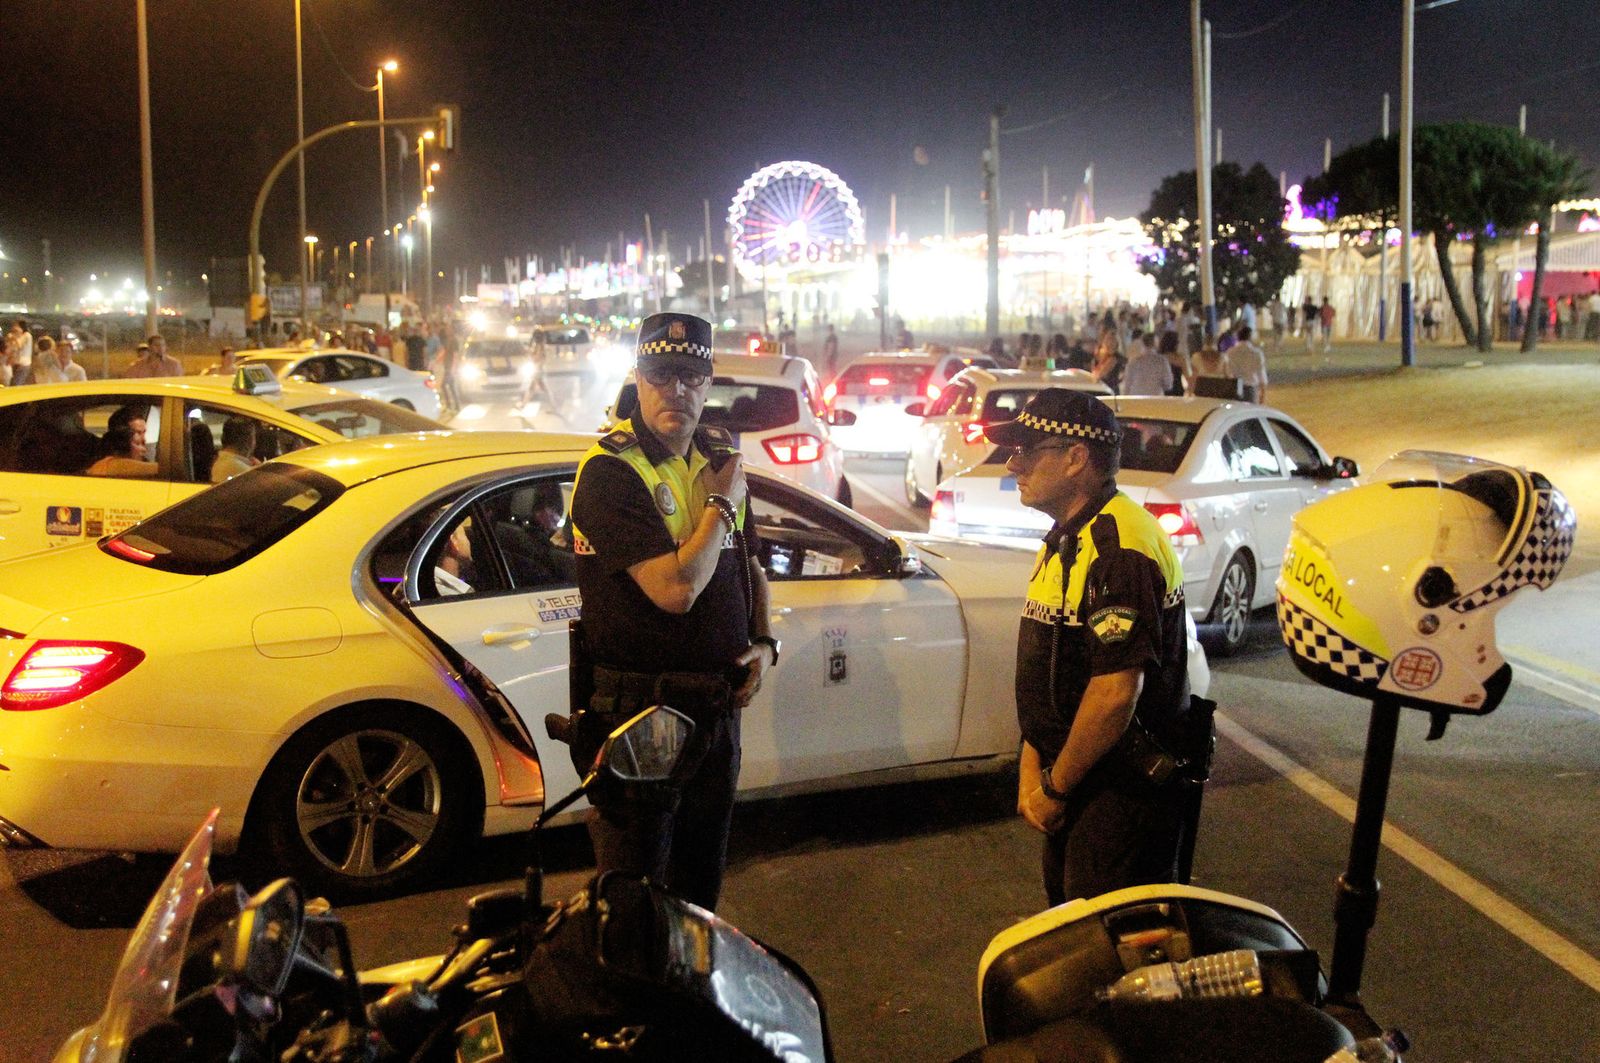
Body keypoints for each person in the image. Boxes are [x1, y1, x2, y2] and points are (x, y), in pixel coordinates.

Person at [567, 312, 777, 913]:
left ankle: (687, 1005)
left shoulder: (715, 456)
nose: (676, 389)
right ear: (638, 378)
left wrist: (763, 643)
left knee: (699, 897)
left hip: (714, 713)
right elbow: (674, 590)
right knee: (636, 902)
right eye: (661, 374)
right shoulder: (611, 469)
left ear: (708, 382)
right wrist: (718, 502)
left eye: (690, 375)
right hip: (641, 716)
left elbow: (750, 567)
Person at [985, 389, 1192, 904]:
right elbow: (1057, 672)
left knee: (1110, 950)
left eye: (1028, 450)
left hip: (1120, 793)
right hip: (1079, 781)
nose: (1014, 465)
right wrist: (1035, 770)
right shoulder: (1068, 537)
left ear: (1077, 458)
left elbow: (1114, 693)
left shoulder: (1118, 550)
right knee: (1075, 938)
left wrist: (1053, 788)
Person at [87, 405, 158, 478]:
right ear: (122, 438)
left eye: (144, 432)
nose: (144, 439)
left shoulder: (143, 463)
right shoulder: (107, 465)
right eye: (139, 433)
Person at [210, 416, 259, 483]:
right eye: (254, 437)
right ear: (248, 440)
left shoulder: (220, 461)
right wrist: (260, 470)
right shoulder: (241, 470)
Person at [1120, 332, 1170, 396]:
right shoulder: (1162, 361)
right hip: (1156, 398)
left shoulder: (1133, 362)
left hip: (1136, 399)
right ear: (1156, 344)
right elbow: (1168, 384)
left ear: (1142, 344)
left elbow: (1127, 385)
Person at [1227, 326, 1268, 404]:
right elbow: (1262, 375)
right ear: (1250, 337)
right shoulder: (1257, 353)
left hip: (1235, 388)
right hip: (1250, 389)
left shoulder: (1230, 352)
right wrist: (1263, 395)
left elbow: (1227, 371)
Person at [7, 319, 34, 386]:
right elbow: (11, 348)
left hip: (23, 363)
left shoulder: (27, 335)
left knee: (17, 383)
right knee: (13, 383)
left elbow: (19, 346)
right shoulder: (18, 336)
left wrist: (14, 338)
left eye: (16, 325)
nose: (14, 327)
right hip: (15, 363)